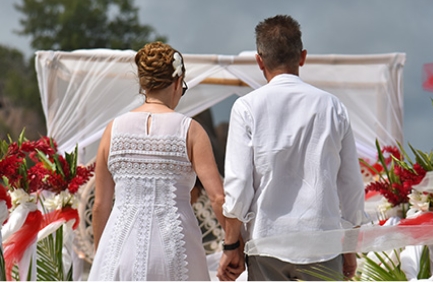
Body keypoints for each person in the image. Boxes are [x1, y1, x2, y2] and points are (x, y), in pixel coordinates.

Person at [217, 15, 366, 281]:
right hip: (322, 242)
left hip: (268, 242)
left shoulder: (247, 107)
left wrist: (231, 245)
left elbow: (239, 187)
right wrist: (349, 246)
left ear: (259, 60)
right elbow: (351, 185)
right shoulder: (333, 107)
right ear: (302, 57)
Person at [88, 41, 226, 281]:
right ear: (176, 82)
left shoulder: (113, 130)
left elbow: (100, 205)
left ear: (143, 84)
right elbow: (217, 197)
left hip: (119, 249)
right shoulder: (191, 130)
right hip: (176, 249)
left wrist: (102, 256)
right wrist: (234, 243)